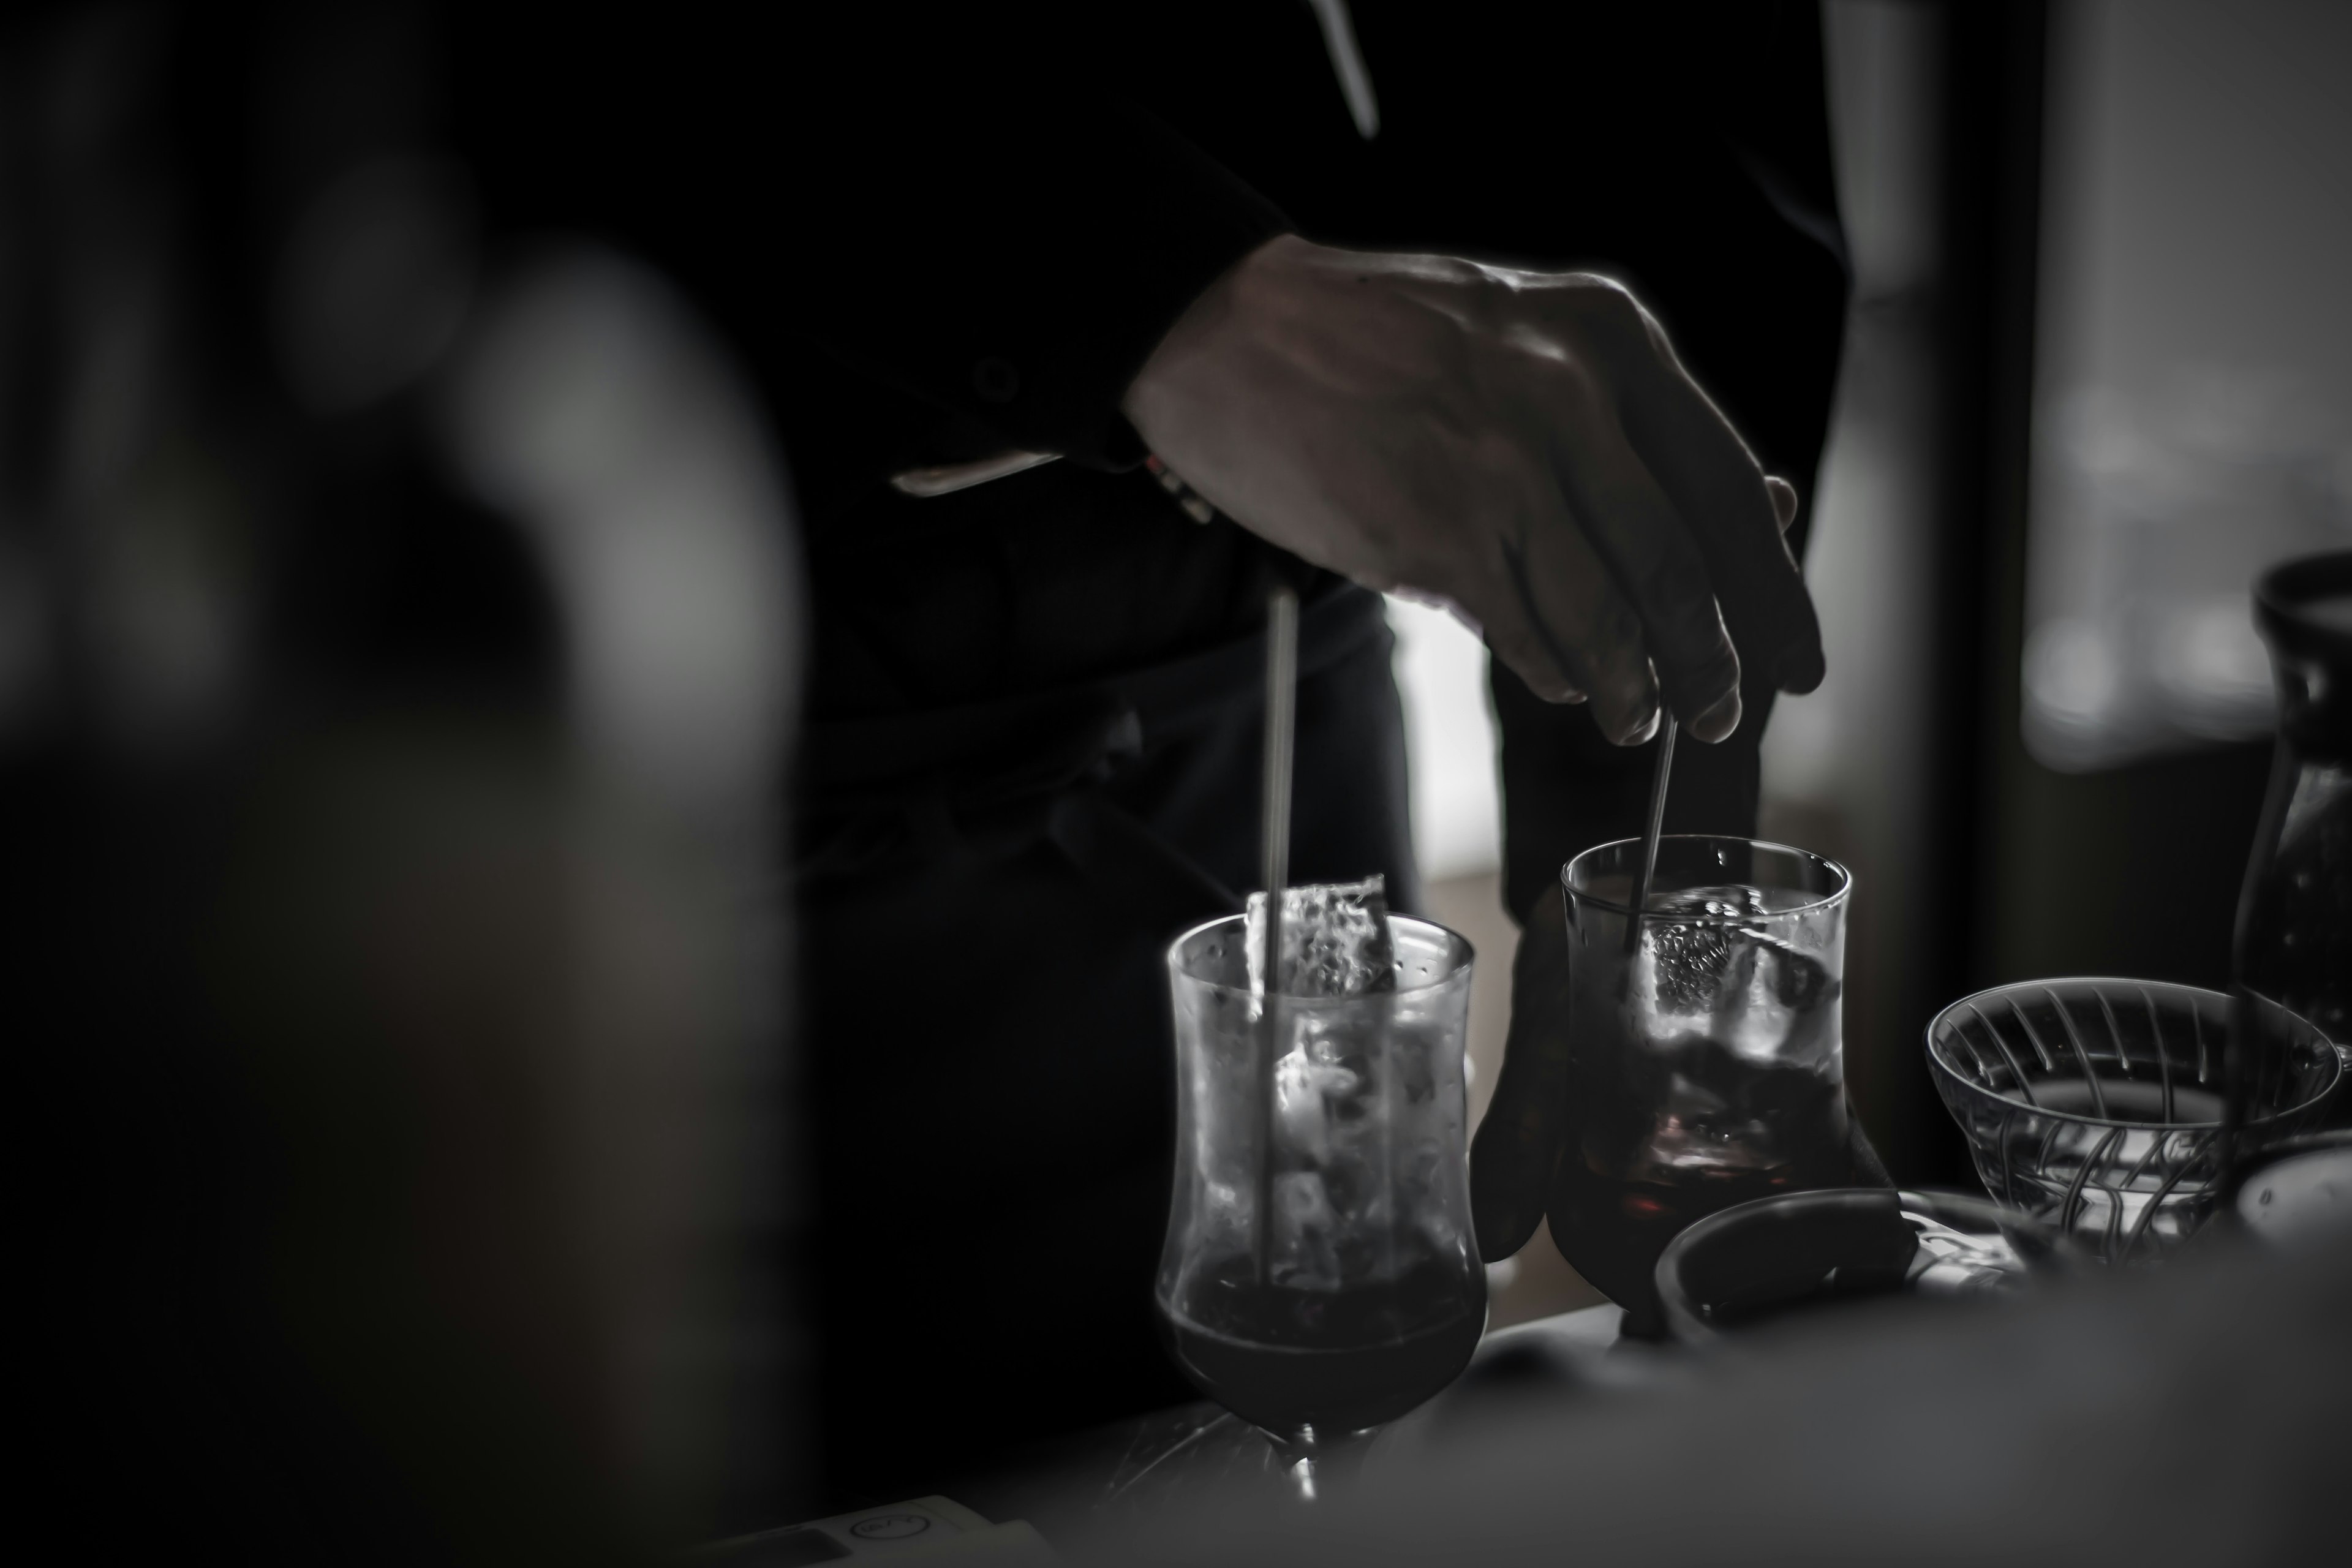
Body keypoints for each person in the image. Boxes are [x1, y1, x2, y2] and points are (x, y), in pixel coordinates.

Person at [440, 0, 1879, 1501]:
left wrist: (1629, 803)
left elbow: (1664, 94)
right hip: (621, 783)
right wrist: (1161, 290)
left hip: (1253, 784)